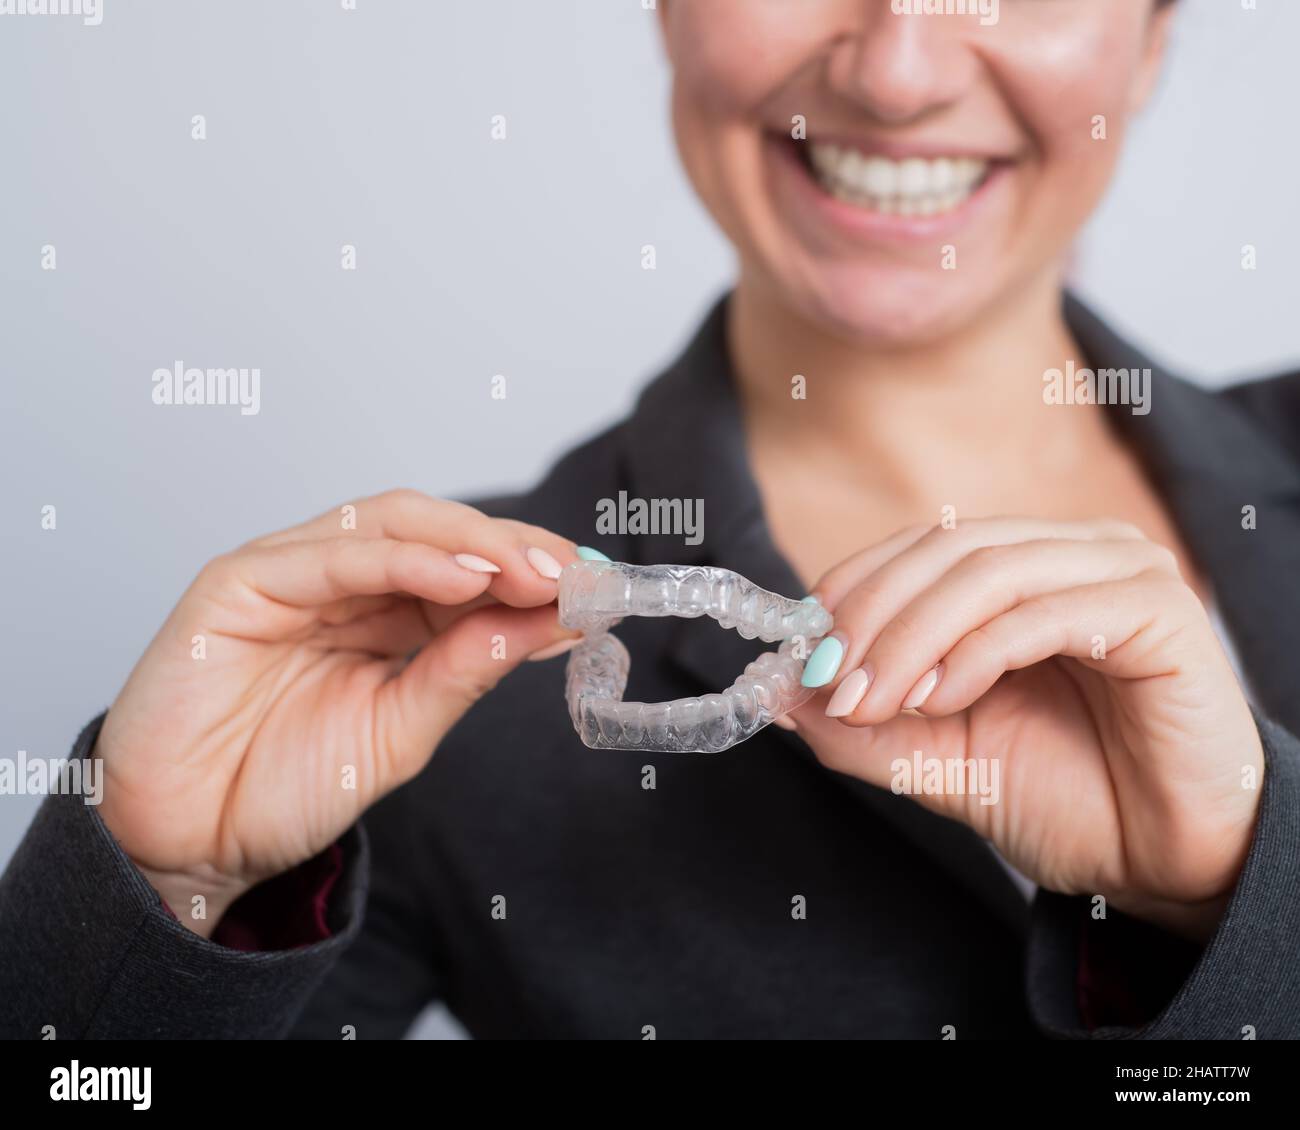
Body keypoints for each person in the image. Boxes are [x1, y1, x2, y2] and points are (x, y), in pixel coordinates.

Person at [3, 0, 1298, 1039]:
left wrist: (1231, 894)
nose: (898, 70)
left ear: (1155, 35)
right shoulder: (420, 674)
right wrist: (161, 889)